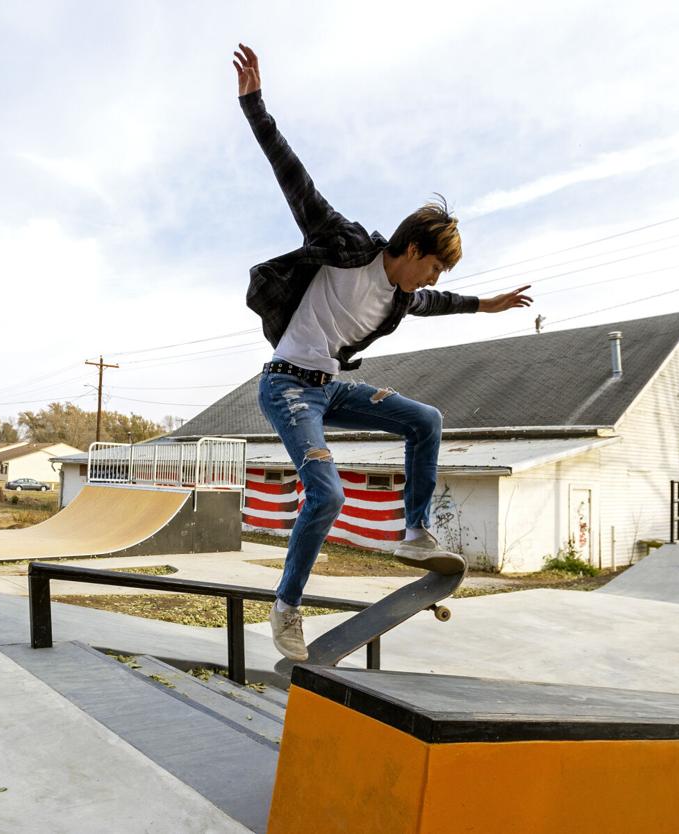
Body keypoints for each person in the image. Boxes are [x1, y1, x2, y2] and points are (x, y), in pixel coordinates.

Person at [232, 44, 533, 661]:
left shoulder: (399, 300)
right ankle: (286, 609)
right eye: (432, 266)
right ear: (412, 246)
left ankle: (415, 532)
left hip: (327, 389)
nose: (430, 278)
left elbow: (435, 304)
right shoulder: (344, 243)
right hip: (286, 388)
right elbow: (293, 176)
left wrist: (487, 305)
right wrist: (255, 104)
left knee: (425, 418)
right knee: (329, 494)